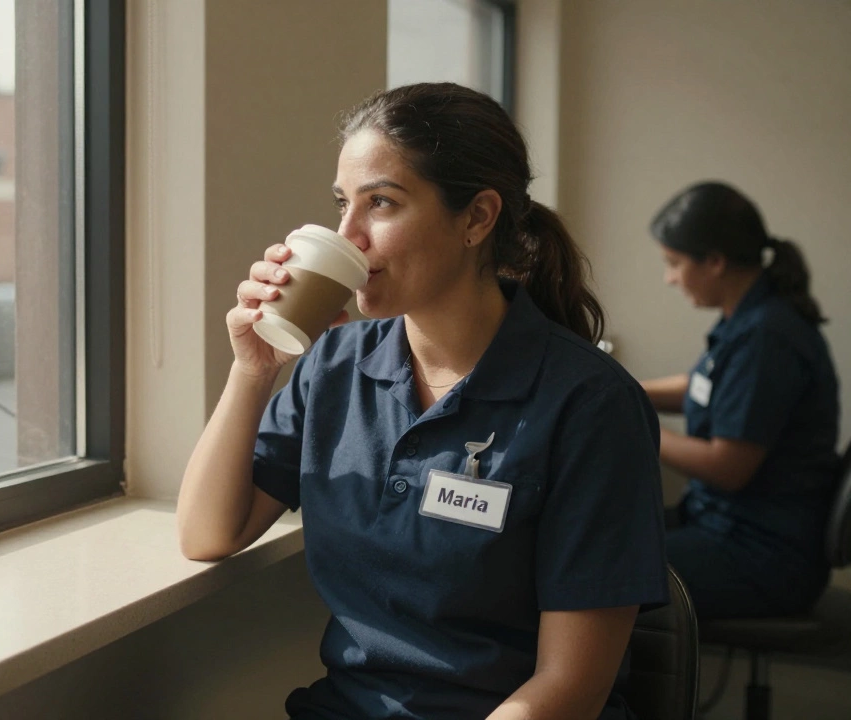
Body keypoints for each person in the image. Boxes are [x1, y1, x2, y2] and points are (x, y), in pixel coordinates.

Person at [178, 82, 668, 720]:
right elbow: (207, 533)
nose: (349, 236)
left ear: (477, 218)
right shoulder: (332, 367)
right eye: (341, 205)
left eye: (380, 203)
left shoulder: (589, 404)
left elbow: (570, 687)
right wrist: (253, 368)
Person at [641, 181, 841, 620]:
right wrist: (629, 389)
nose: (669, 277)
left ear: (714, 262)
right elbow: (701, 386)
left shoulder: (768, 337)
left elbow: (727, 467)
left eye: (674, 263)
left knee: (600, 571)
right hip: (724, 528)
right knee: (602, 539)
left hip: (761, 554)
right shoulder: (750, 320)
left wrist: (637, 421)